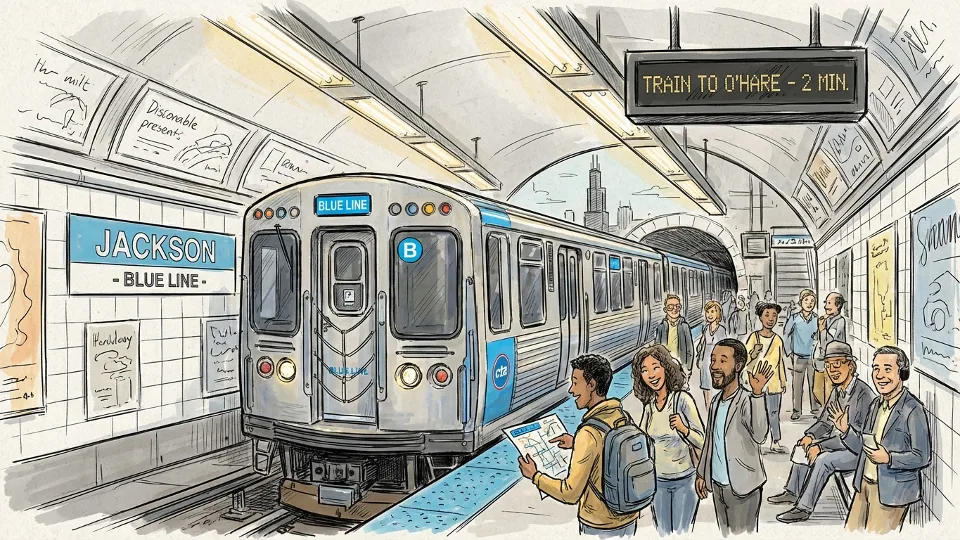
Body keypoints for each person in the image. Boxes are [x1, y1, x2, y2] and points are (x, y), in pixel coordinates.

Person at [519, 354, 639, 537]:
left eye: (575, 383)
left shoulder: (588, 433)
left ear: (591, 385)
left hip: (599, 525)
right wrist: (575, 443)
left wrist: (535, 476)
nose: (571, 390)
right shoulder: (621, 416)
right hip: (629, 517)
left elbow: (570, 493)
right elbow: (607, 449)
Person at [769, 341, 876, 523]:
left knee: (824, 460)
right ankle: (792, 491)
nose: (832, 370)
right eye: (828, 365)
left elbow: (856, 442)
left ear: (850, 365)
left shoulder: (862, 394)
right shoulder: (838, 390)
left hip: (859, 453)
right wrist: (810, 436)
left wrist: (821, 446)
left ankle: (804, 508)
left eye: (837, 364)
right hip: (843, 444)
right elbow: (825, 422)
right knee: (803, 445)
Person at [831, 346, 932, 534]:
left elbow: (922, 456)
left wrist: (889, 458)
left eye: (887, 369)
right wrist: (845, 431)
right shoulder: (876, 404)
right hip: (864, 486)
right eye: (876, 368)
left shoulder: (913, 409)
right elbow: (863, 448)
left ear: (901, 373)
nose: (879, 375)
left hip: (892, 493)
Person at [696, 338, 773, 537]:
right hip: (718, 485)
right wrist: (702, 473)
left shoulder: (747, 399)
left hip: (743, 486)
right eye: (713, 360)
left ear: (738, 366)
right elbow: (709, 442)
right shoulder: (715, 402)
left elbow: (760, 434)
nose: (714, 367)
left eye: (722, 361)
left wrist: (757, 394)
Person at [632, 344, 705, 536]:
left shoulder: (682, 400)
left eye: (655, 367)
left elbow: (703, 441)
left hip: (684, 481)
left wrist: (684, 429)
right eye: (645, 370)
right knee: (662, 533)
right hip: (657, 483)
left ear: (666, 367)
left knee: (682, 533)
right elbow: (641, 442)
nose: (651, 375)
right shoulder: (649, 407)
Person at [743, 302, 789, 454]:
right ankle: (755, 441)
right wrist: (754, 354)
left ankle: (775, 441)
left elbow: (780, 362)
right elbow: (745, 359)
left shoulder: (777, 340)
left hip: (774, 383)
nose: (771, 319)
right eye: (767, 315)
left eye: (774, 315)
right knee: (757, 413)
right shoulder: (753, 337)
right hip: (757, 383)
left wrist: (783, 380)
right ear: (760, 318)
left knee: (774, 412)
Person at [783, 289, 820, 420]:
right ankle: (797, 410)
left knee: (813, 384)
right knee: (797, 385)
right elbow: (786, 334)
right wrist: (788, 353)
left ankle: (815, 409)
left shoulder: (817, 319)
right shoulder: (794, 318)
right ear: (800, 302)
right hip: (798, 356)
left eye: (812, 301)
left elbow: (820, 336)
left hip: (812, 357)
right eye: (806, 300)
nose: (809, 303)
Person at [815, 292, 847, 411]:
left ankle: (828, 415)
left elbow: (832, 342)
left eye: (829, 303)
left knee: (829, 389)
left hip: (834, 361)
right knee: (817, 390)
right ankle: (825, 410)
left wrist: (822, 330)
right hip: (822, 359)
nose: (825, 306)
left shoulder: (840, 321)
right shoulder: (826, 320)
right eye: (826, 303)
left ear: (837, 306)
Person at [696, 300, 728, 405]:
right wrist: (699, 359)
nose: (710, 314)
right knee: (706, 386)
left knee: (718, 384)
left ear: (717, 313)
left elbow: (724, 348)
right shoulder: (706, 329)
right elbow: (702, 345)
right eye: (708, 312)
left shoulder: (722, 330)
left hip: (717, 361)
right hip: (706, 361)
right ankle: (708, 408)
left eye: (712, 311)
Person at [655, 294, 695, 379]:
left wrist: (688, 368)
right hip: (665, 366)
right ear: (665, 310)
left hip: (681, 366)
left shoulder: (685, 326)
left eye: (677, 306)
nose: (674, 309)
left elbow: (689, 349)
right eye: (670, 307)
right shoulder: (661, 327)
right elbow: (656, 349)